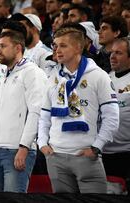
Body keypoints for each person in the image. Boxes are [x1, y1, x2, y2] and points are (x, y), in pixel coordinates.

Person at [37, 27, 120, 193]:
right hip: (55, 156)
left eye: (63, 46)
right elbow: (45, 114)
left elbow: (112, 117)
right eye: (55, 45)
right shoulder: (54, 76)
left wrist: (96, 147)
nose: (57, 50)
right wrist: (42, 143)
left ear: (78, 48)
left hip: (86, 155)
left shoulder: (98, 76)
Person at [0, 31, 48, 193]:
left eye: (3, 46)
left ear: (17, 48)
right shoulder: (3, 76)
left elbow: (36, 112)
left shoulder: (33, 73)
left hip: (16, 151)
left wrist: (24, 148)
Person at [103, 37, 130, 192]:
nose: (112, 56)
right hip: (103, 151)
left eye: (118, 53)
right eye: (111, 52)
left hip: (125, 153)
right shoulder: (106, 78)